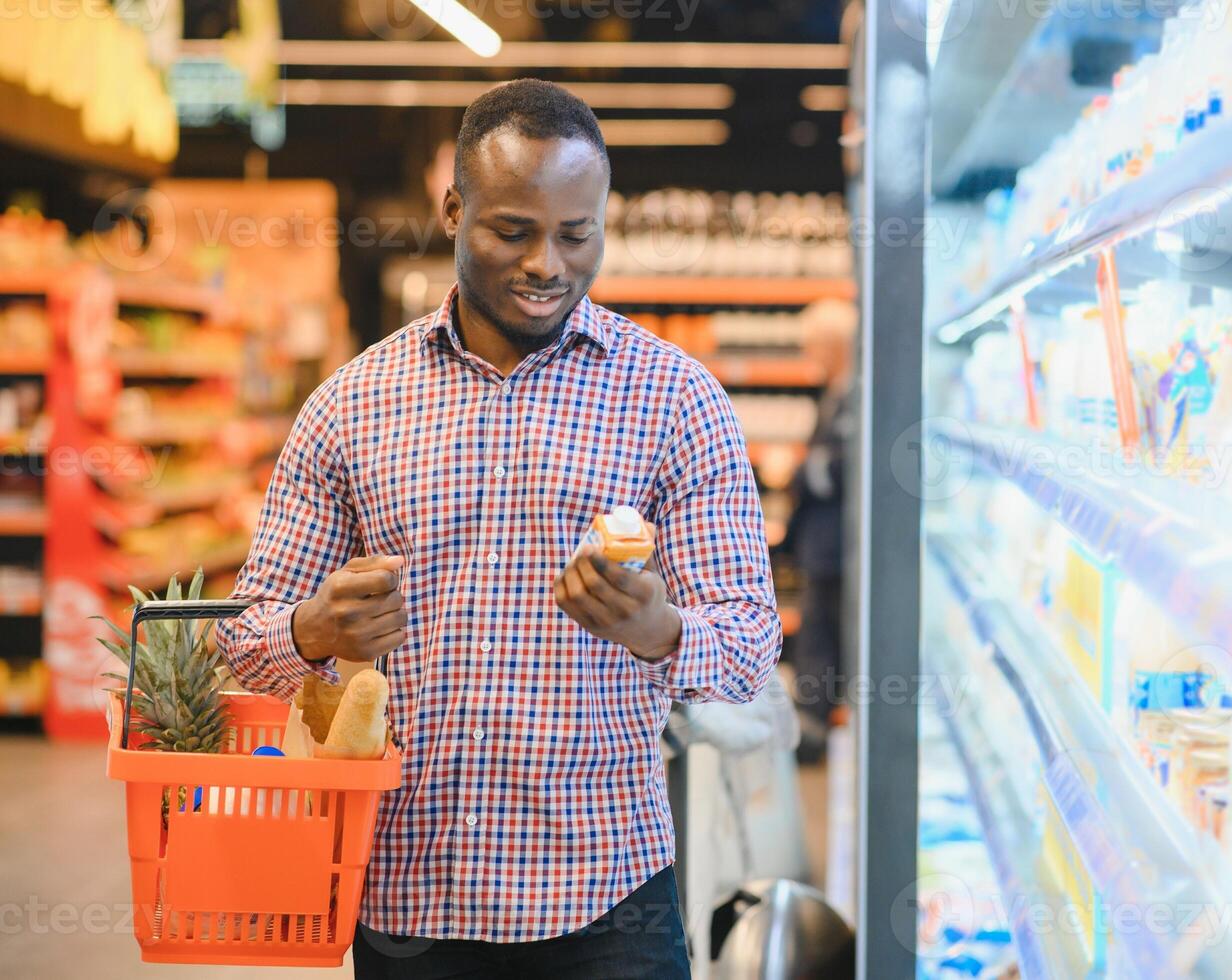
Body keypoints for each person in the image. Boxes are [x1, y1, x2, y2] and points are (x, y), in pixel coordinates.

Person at [216, 79, 781, 979]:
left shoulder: (677, 400)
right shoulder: (352, 405)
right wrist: (311, 630)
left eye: (576, 234)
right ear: (453, 211)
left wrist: (657, 630)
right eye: (512, 231)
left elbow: (751, 644)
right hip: (409, 899)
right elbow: (240, 643)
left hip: (607, 898)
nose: (546, 264)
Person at [782, 299, 857, 761]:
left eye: (815, 347)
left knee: (824, 637)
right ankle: (815, 725)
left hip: (836, 545)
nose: (811, 356)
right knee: (819, 633)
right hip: (825, 545)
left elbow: (840, 470)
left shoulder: (853, 394)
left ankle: (815, 730)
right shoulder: (838, 390)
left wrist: (802, 472)